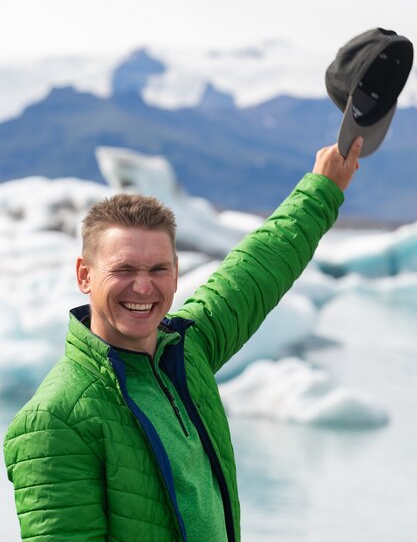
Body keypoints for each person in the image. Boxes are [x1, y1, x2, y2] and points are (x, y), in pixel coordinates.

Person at [3, 138, 363, 542]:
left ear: (176, 272)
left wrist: (322, 188)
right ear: (84, 275)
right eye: (123, 269)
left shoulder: (187, 350)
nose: (143, 287)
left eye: (158, 269)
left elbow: (259, 269)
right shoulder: (55, 420)